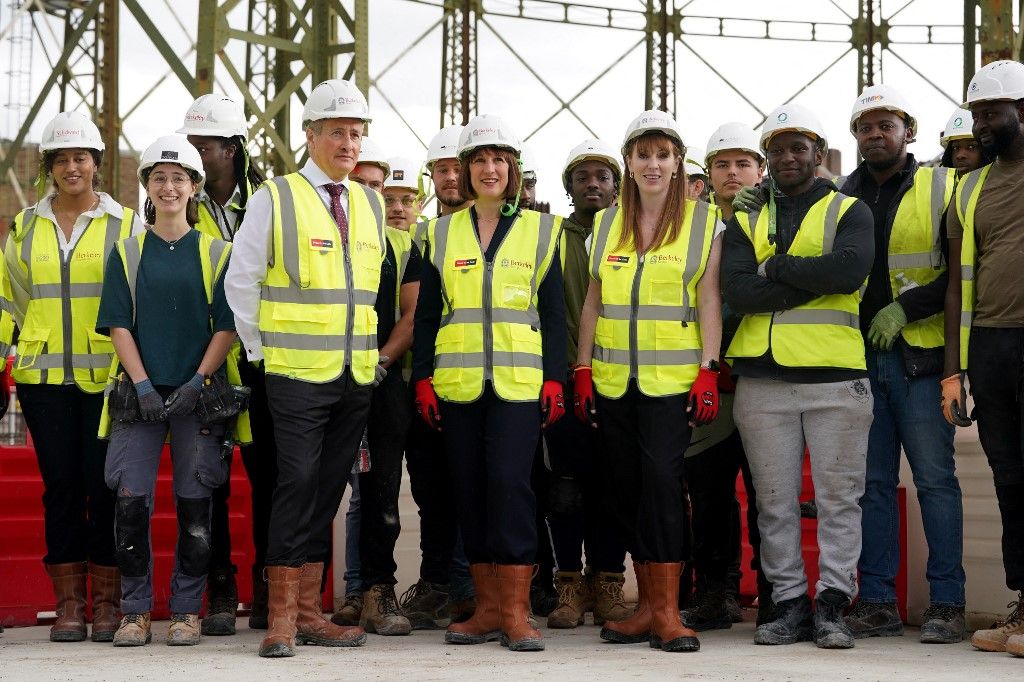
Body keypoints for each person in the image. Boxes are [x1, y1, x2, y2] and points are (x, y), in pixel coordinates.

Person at [225, 78, 384, 658]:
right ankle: (281, 619)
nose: (347, 142)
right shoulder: (278, 195)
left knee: (325, 492)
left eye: (355, 133)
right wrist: (261, 353)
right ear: (311, 135)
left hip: (353, 374)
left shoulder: (367, 201)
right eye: (336, 131)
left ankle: (312, 613)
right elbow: (240, 280)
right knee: (293, 485)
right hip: (293, 374)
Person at [412, 114, 566, 652]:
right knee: (470, 491)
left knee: (510, 485)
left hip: (519, 387)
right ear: (466, 169)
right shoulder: (437, 232)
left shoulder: (542, 230)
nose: (489, 168)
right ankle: (488, 609)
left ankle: (519, 611)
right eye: (479, 159)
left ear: (514, 168)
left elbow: (553, 313)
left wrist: (554, 379)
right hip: (457, 386)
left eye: (499, 159)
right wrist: (423, 379)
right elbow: (428, 315)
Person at [723, 102, 875, 650]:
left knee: (839, 499)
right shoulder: (744, 218)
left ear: (818, 154)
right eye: (778, 148)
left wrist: (777, 268)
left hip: (836, 378)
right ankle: (789, 604)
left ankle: (833, 604)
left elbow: (849, 269)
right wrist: (813, 279)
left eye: (799, 147)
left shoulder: (849, 210)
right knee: (774, 502)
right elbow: (737, 289)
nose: (788, 156)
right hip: (763, 382)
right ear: (768, 158)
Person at [575, 110, 723, 653]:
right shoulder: (606, 223)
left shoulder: (703, 222)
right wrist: (583, 366)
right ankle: (643, 606)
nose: (653, 164)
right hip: (614, 382)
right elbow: (594, 299)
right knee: (625, 490)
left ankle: (667, 610)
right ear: (629, 163)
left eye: (663, 155)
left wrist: (709, 368)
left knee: (662, 486)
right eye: (643, 155)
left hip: (672, 381)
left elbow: (708, 297)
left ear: (678, 161)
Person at [95, 134, 248, 647]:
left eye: (178, 178)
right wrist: (141, 385)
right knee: (130, 503)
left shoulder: (218, 253)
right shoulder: (127, 253)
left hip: (195, 396)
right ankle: (134, 612)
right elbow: (119, 324)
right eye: (158, 178)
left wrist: (196, 381)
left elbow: (227, 327)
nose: (168, 187)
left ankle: (187, 611)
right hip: (139, 396)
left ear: (195, 188)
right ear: (146, 187)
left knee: (195, 506)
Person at [4, 111, 141, 644]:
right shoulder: (25, 226)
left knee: (103, 489)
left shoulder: (126, 224)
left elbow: (137, 302)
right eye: (61, 159)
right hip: (43, 381)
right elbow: (7, 302)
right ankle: (69, 607)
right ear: (49, 168)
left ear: (97, 164)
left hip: (107, 379)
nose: (71, 167)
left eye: (80, 157)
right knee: (59, 490)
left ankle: (107, 605)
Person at [838, 84, 965, 644]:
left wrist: (905, 307)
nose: (875, 135)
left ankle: (947, 603)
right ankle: (878, 601)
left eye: (886, 125)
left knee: (936, 481)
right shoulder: (840, 195)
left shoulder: (944, 185)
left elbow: (963, 271)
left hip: (920, 358)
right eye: (866, 127)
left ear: (908, 132)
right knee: (872, 484)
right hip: (861, 360)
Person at [178, 93, 272, 635]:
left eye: (204, 147)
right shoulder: (173, 206)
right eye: (190, 146)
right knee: (207, 482)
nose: (195, 158)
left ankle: (267, 584)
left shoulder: (271, 200)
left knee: (269, 478)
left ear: (232, 149)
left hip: (260, 361)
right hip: (206, 360)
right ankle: (218, 586)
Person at [943, 59, 1024, 659]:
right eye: (976, 116)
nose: (982, 127)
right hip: (991, 345)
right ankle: (1023, 606)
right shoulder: (968, 187)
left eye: (991, 115)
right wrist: (954, 369)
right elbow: (954, 283)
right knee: (1010, 480)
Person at [680, 122, 771, 632]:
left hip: (764, 381)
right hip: (710, 386)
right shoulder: (692, 228)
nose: (732, 173)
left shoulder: (782, 220)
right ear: (708, 176)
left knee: (768, 497)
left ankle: (777, 595)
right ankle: (716, 593)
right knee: (709, 494)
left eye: (742, 164)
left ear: (759, 170)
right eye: (722, 165)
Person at [543, 139, 631, 630]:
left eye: (602, 176)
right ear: (570, 188)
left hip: (619, 379)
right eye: (583, 177)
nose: (593, 184)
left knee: (614, 486)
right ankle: (569, 586)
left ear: (617, 185)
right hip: (565, 381)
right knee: (566, 489)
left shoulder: (631, 234)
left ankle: (610, 583)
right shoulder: (551, 237)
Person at [398, 124, 476, 631]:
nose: (450, 177)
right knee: (431, 489)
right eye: (441, 169)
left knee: (472, 483)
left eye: (456, 168)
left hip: (475, 380)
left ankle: (467, 586)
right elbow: (416, 315)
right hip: (422, 380)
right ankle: (438, 580)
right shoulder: (422, 236)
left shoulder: (499, 230)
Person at [939, 107, 990, 174]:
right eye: (955, 148)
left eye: (971, 147)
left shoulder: (1001, 182)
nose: (960, 155)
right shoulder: (939, 182)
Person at [383, 156, 425, 231]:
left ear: (420, 207)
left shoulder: (435, 241)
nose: (398, 208)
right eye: (388, 200)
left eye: (407, 201)